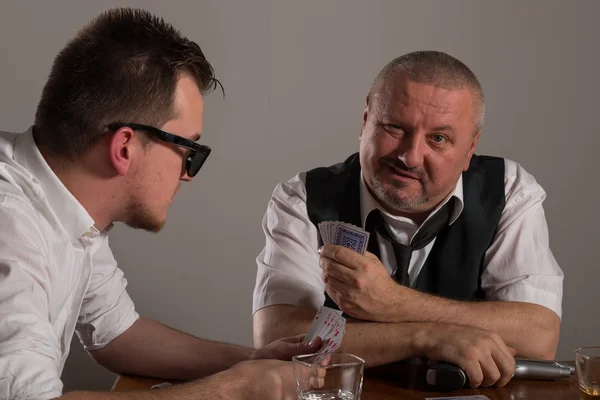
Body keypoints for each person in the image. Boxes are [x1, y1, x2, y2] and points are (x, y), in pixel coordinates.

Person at [0, 8, 322, 400]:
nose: (187, 174)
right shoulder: (11, 228)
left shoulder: (70, 208)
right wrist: (238, 389)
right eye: (188, 150)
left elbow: (117, 334)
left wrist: (253, 361)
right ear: (124, 147)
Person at [253, 50, 564, 388]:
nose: (410, 156)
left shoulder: (509, 190)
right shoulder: (302, 198)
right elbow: (277, 337)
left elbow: (539, 338)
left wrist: (394, 304)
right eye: (395, 127)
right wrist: (425, 335)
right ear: (365, 121)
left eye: (439, 138)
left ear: (470, 149)